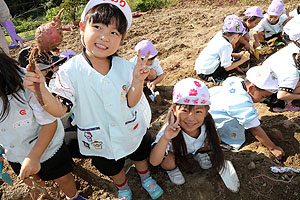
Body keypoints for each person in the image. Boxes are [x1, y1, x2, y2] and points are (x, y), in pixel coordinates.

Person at [23, 0, 163, 200]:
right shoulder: (69, 72)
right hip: (97, 139)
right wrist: (41, 90)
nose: (104, 37)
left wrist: (137, 82)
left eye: (114, 32)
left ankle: (145, 177)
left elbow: (132, 102)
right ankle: (122, 186)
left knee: (139, 154)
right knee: (111, 166)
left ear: (122, 39)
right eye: (97, 27)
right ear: (82, 28)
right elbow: (60, 110)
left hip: (129, 128)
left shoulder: (125, 67)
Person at [0, 50, 85, 200]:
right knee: (34, 183)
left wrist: (34, 156)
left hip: (47, 144)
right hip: (15, 151)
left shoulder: (27, 83)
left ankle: (73, 196)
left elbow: (50, 123)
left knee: (62, 177)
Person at [150, 78, 224, 185]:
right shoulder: (168, 131)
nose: (191, 118)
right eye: (185, 111)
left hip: (196, 147)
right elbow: (154, 161)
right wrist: (166, 138)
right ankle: (172, 170)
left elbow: (217, 141)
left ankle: (199, 153)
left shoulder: (207, 123)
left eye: (198, 111)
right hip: (176, 153)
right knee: (169, 161)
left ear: (206, 112)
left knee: (214, 139)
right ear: (174, 110)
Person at [208, 66, 285, 160]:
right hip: (213, 122)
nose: (263, 99)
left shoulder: (236, 81)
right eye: (263, 96)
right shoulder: (241, 102)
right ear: (251, 88)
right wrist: (273, 148)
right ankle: (220, 144)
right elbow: (255, 129)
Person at [261, 15, 300, 112]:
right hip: (269, 94)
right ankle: (282, 105)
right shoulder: (292, 73)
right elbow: (281, 95)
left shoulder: (293, 48)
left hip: (262, 80)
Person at [195, 15, 250, 83]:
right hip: (207, 72)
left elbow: (221, 53)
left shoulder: (220, 35)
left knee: (228, 62)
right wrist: (242, 60)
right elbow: (227, 67)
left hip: (201, 66)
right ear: (236, 36)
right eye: (239, 37)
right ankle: (216, 78)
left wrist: (238, 55)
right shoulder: (226, 45)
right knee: (225, 73)